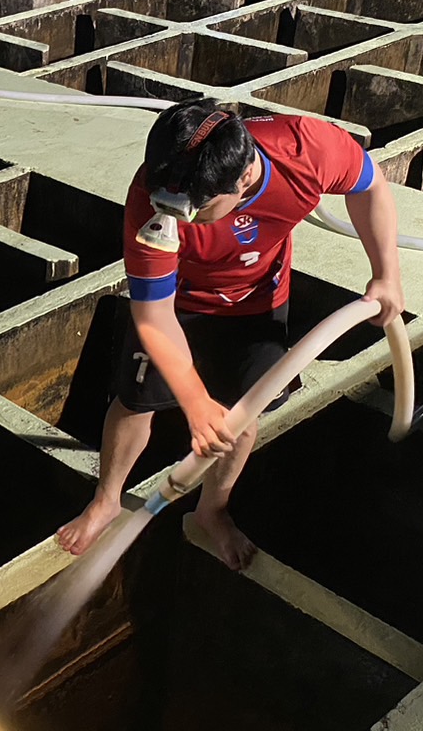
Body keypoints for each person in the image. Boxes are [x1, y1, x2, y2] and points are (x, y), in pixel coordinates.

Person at [56, 99, 404, 570]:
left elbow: (370, 184)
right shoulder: (153, 198)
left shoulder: (303, 150)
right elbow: (155, 318)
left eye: (196, 208)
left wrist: (386, 273)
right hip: (177, 302)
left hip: (256, 301)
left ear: (242, 180)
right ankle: (107, 498)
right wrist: (195, 401)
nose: (177, 218)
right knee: (136, 400)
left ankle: (211, 510)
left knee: (244, 414)